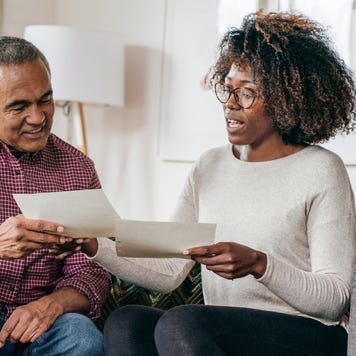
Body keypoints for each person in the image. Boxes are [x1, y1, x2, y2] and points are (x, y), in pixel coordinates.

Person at [68, 10, 355, 355]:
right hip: (223, 330)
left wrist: (259, 264)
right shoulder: (209, 165)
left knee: (183, 323)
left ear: (286, 98)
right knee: (128, 322)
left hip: (310, 336)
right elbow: (172, 268)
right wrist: (93, 245)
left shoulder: (322, 169)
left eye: (247, 93)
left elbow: (334, 299)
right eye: (227, 88)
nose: (230, 105)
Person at [0, 36, 112, 356]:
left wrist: (50, 306)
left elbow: (90, 270)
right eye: (19, 107)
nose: (37, 117)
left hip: (42, 324)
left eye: (45, 100)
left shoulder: (78, 168)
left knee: (82, 338)